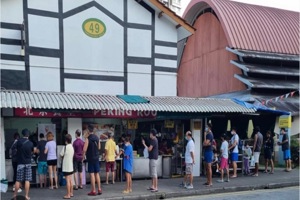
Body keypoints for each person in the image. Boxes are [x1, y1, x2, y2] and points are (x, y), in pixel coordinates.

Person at [13, 129, 34, 200]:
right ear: (28, 135)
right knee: (27, 180)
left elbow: (14, 148)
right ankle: (26, 196)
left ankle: (15, 195)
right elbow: (32, 152)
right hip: (28, 163)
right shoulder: (31, 143)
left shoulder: (18, 142)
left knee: (18, 180)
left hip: (20, 163)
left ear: (22, 134)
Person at [82, 125, 102, 196]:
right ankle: (99, 189)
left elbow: (84, 149)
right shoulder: (97, 138)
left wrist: (83, 156)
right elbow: (99, 147)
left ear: (88, 131)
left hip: (90, 158)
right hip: (96, 158)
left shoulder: (88, 139)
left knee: (92, 174)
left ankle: (93, 190)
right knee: (97, 173)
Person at [60, 134, 74, 199]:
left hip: (66, 166)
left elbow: (61, 154)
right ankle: (71, 193)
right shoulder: (72, 147)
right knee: (70, 180)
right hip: (71, 166)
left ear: (66, 140)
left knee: (67, 180)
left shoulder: (65, 147)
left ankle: (68, 195)